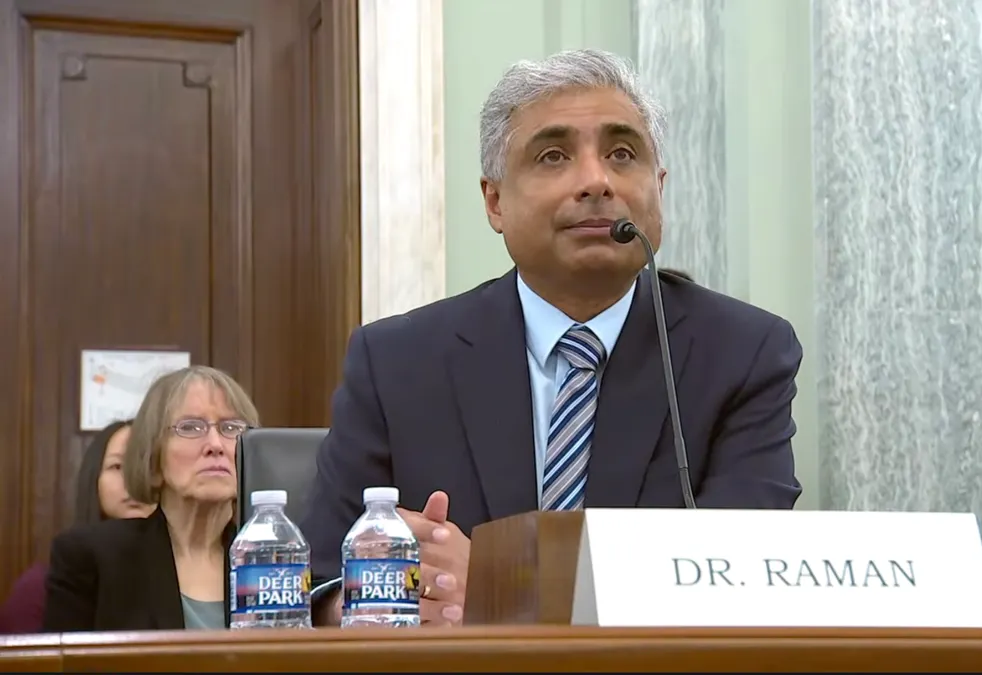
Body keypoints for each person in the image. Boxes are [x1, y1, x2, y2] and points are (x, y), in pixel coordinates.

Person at [301, 48, 803, 627]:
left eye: (622, 153)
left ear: (658, 188)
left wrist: (502, 587)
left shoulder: (744, 352)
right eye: (553, 155)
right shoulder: (395, 361)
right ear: (494, 200)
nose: (596, 181)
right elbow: (317, 582)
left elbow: (741, 576)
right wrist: (379, 595)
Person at [42, 366, 259, 632]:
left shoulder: (271, 560)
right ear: (153, 460)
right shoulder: (91, 558)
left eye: (231, 427)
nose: (215, 444)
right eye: (191, 427)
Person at [0, 419, 154, 634]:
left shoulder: (190, 583)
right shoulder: (39, 587)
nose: (133, 481)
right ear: (94, 480)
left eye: (147, 466)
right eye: (117, 466)